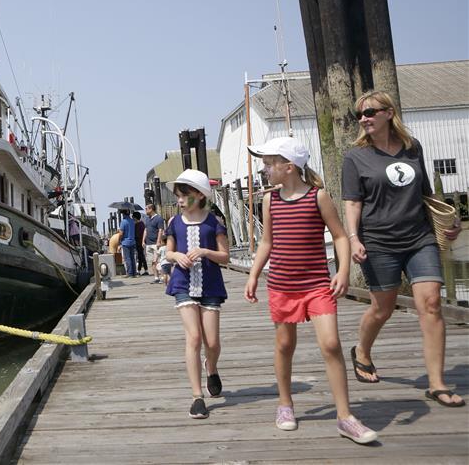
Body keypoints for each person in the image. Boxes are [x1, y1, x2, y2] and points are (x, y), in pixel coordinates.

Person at [244, 137, 378, 444]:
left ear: (288, 167)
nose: (265, 169)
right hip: (281, 284)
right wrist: (253, 275)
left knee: (331, 344)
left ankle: (345, 416)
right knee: (284, 344)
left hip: (317, 284)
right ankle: (285, 404)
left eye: (268, 163)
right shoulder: (270, 200)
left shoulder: (318, 197)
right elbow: (267, 242)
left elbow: (340, 236)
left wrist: (343, 271)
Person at [343, 91, 464, 408]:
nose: (364, 119)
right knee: (383, 307)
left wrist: (449, 221)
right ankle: (362, 351)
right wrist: (354, 238)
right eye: (360, 115)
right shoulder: (355, 157)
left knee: (433, 304)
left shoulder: (413, 148)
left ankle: (436, 384)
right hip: (379, 240)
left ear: (388, 113)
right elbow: (353, 202)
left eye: (370, 112)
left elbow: (425, 193)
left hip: (418, 237)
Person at [164, 169, 229, 419]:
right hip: (183, 283)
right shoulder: (174, 223)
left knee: (212, 342)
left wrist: (204, 251)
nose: (179, 200)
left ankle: (211, 367)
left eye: (184, 195)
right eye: (178, 196)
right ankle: (197, 396)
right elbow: (168, 252)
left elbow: (225, 256)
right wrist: (176, 255)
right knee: (194, 338)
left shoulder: (213, 222)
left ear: (200, 196)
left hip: (210, 284)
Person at [143, 204, 165, 277]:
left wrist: (158, 241)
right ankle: (156, 277)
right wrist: (143, 241)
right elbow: (145, 230)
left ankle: (162, 277)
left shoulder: (158, 218)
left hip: (156, 243)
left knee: (158, 261)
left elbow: (160, 230)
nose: (145, 210)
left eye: (146, 209)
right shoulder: (147, 219)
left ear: (151, 209)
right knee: (152, 261)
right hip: (148, 243)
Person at [117, 209, 137, 277]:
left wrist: (119, 240)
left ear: (124, 214)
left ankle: (130, 273)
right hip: (132, 241)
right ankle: (134, 273)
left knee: (127, 258)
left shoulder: (123, 222)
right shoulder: (132, 221)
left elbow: (121, 233)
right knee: (132, 258)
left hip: (125, 242)